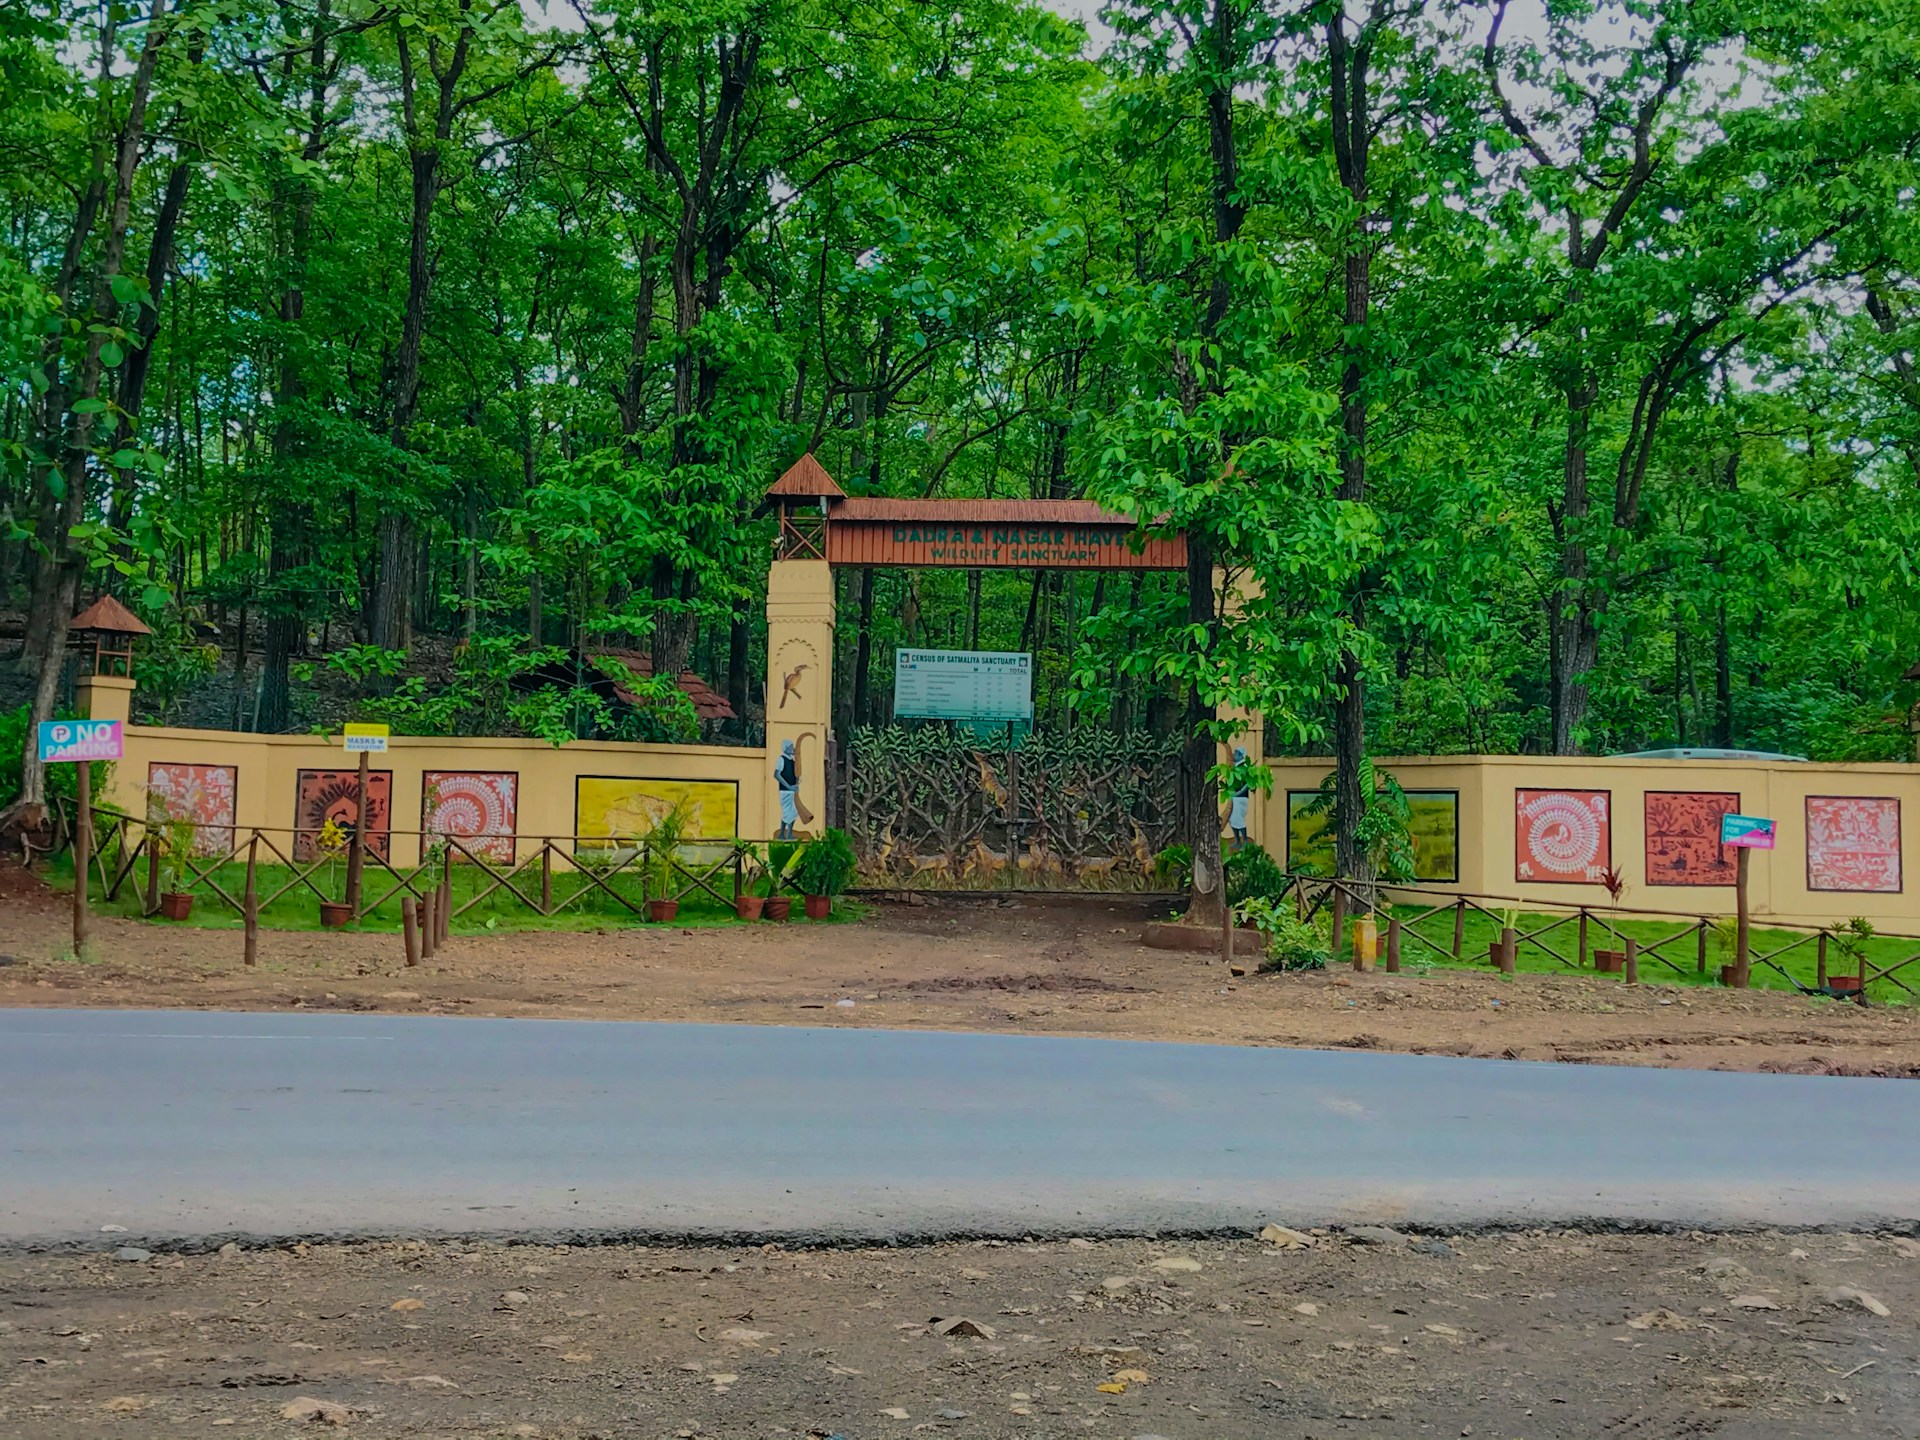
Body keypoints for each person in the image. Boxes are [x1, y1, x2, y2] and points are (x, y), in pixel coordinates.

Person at [775, 739, 800, 840]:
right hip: (785, 790)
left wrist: (796, 783)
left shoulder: (792, 760)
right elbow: (777, 775)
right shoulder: (781, 759)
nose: (792, 749)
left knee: (794, 811)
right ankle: (782, 833)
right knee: (786, 812)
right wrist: (789, 786)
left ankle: (789, 833)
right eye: (790, 747)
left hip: (792, 790)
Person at [1227, 746, 1250, 849]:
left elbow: (1248, 784)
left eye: (1236, 753)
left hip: (1240, 798)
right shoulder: (1236, 768)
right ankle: (1237, 840)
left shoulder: (1244, 768)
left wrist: (1239, 793)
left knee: (1238, 819)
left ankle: (1244, 840)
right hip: (1235, 797)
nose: (1234, 755)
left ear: (1241, 756)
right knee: (1232, 819)